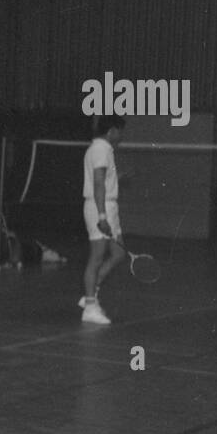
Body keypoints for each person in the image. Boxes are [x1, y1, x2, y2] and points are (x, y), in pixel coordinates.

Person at [80, 117, 127, 325]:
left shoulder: (103, 148)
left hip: (108, 205)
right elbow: (98, 182)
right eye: (120, 131)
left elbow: (103, 180)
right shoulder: (101, 149)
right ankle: (90, 307)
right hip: (101, 208)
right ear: (112, 131)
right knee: (97, 256)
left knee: (118, 252)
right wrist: (101, 216)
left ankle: (91, 293)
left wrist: (119, 179)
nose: (121, 135)